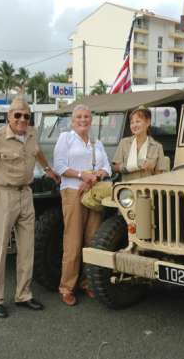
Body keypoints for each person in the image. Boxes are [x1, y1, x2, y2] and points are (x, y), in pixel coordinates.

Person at [0, 97, 58, 318]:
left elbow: (36, 151)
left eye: (26, 115)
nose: (22, 119)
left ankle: (23, 295)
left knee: (27, 248)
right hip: (3, 195)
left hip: (26, 195)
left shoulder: (31, 134)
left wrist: (48, 169)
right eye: (17, 115)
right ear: (9, 116)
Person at [53, 104, 111, 306]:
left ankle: (87, 283)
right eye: (79, 116)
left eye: (86, 116)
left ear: (91, 120)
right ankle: (67, 287)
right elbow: (59, 166)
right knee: (73, 241)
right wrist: (81, 175)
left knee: (92, 240)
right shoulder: (65, 138)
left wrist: (94, 177)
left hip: (93, 194)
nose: (83, 120)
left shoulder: (96, 142)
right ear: (72, 120)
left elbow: (107, 168)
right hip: (72, 192)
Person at [113, 106, 166, 181]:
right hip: (128, 189)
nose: (134, 125)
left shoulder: (157, 147)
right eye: (132, 123)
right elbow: (115, 167)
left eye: (138, 121)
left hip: (147, 189)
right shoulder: (124, 143)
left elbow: (160, 175)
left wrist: (151, 168)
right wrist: (136, 165)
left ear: (148, 123)